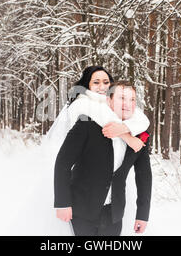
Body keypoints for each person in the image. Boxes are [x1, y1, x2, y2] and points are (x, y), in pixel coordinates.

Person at [54, 81, 152, 236]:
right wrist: (62, 203)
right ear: (109, 100)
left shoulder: (139, 134)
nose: (127, 104)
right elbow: (63, 163)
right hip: (80, 210)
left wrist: (142, 214)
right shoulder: (87, 124)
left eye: (132, 99)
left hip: (114, 215)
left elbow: (144, 176)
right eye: (121, 98)